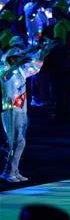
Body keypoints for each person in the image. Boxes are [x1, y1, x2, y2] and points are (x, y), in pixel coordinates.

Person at [1, 38, 53, 182]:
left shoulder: (21, 71)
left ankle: (14, 170)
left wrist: (42, 54)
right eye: (17, 58)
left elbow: (35, 67)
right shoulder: (4, 70)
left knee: (21, 142)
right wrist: (17, 64)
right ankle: (8, 172)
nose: (20, 60)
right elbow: (5, 76)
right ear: (11, 59)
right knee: (14, 142)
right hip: (10, 110)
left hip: (21, 110)